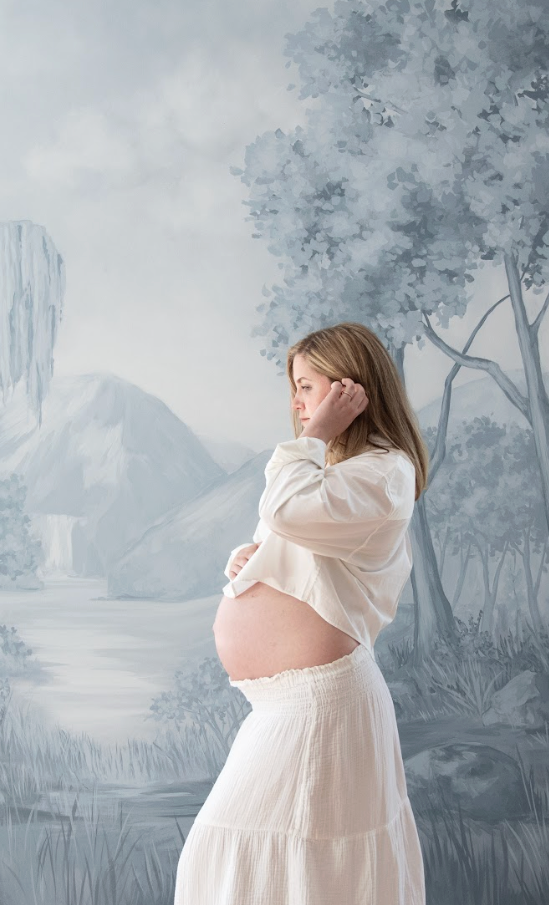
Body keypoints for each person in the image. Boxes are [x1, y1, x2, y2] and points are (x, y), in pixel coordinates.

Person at [174, 322, 428, 904]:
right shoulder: (336, 471)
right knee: (260, 868)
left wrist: (314, 433)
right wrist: (252, 559)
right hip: (292, 705)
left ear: (349, 390)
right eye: (294, 388)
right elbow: (298, 542)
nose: (296, 403)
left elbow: (287, 510)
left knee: (275, 866)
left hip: (321, 706)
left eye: (307, 386)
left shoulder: (384, 472)